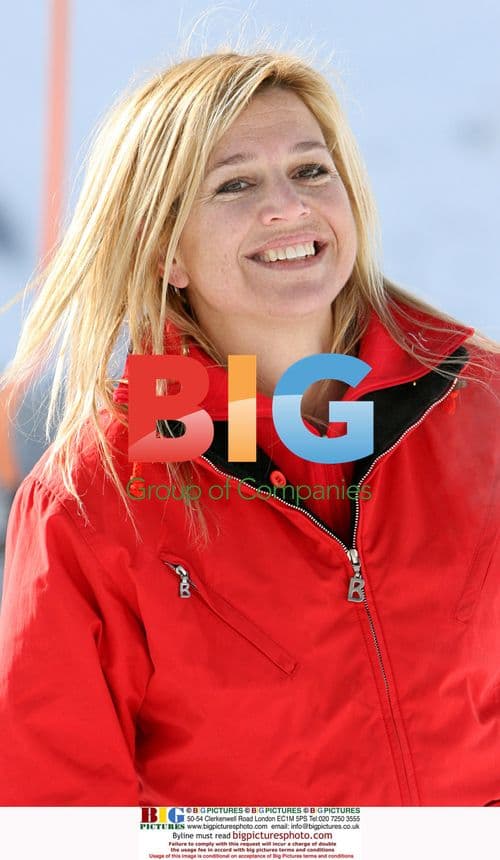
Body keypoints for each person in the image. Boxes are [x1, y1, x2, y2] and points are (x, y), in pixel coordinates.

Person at [0, 50, 499, 807]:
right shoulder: (92, 501)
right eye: (235, 184)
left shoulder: (480, 408)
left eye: (310, 170)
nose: (289, 207)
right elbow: (61, 818)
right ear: (165, 252)